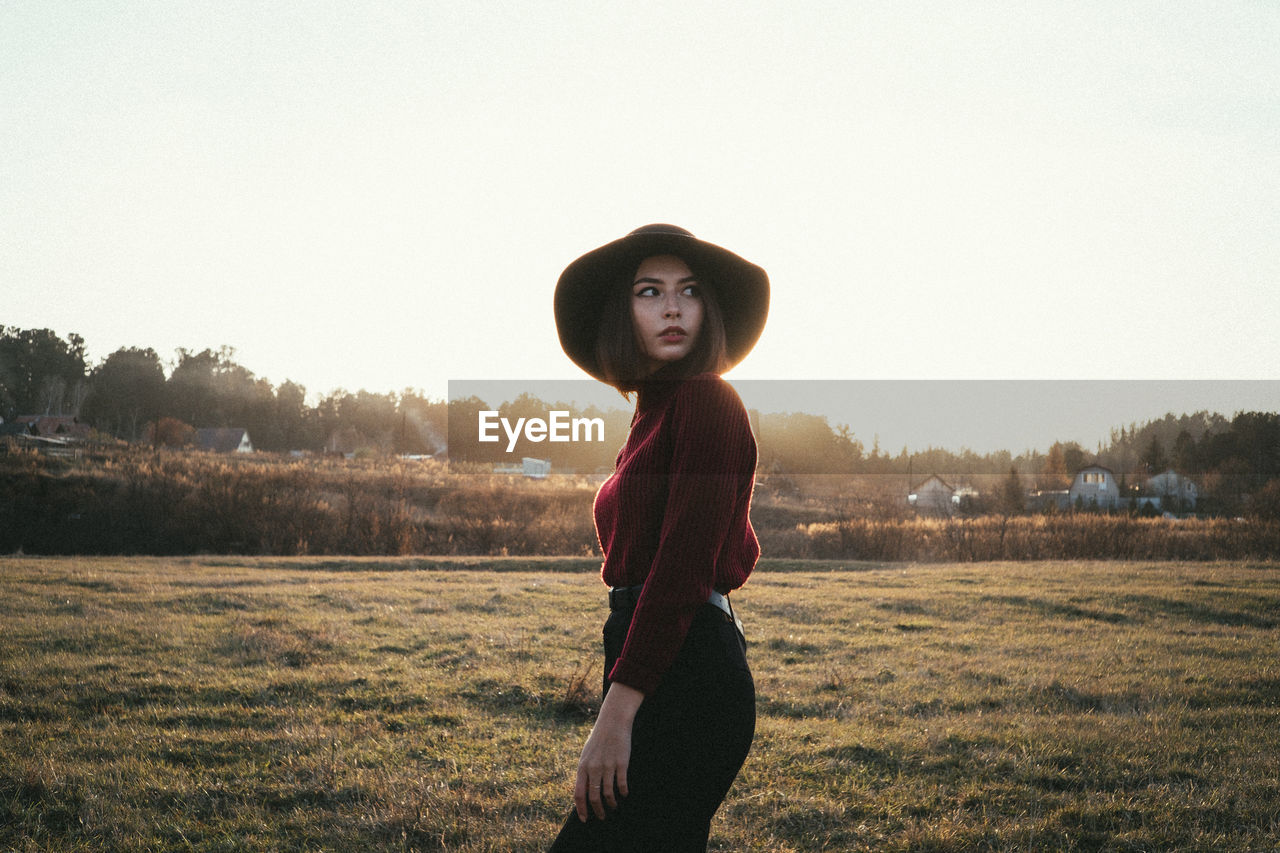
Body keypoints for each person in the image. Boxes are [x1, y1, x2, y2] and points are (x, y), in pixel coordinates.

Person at [548, 224, 770, 852]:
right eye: (650, 292)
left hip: (688, 676)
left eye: (689, 291)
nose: (672, 308)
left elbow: (682, 569)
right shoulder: (655, 414)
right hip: (655, 664)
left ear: (708, 310)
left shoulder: (707, 401)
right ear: (625, 312)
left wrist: (615, 716)